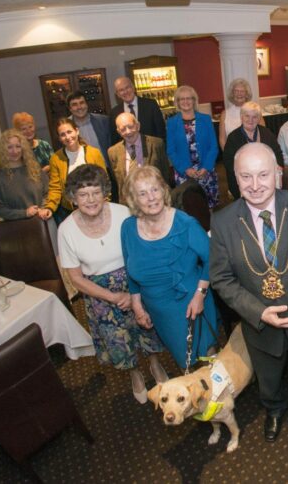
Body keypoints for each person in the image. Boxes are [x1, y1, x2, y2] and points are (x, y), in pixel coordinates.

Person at [210, 143, 288, 442]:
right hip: (260, 323)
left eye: (263, 175)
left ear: (277, 173)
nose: (255, 185)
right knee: (268, 378)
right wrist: (259, 312)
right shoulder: (222, 222)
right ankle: (274, 410)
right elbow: (222, 279)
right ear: (235, 179)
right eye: (245, 177)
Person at [57, 165, 166, 404]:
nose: (91, 199)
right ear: (73, 198)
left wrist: (131, 292)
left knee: (148, 329)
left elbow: (141, 249)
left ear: (105, 191)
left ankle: (155, 365)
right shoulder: (65, 230)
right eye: (83, 194)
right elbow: (75, 278)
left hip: (134, 281)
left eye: (96, 192)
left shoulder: (123, 213)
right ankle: (135, 374)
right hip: (98, 294)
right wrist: (114, 297)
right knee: (119, 342)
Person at [120, 165, 218, 370]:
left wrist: (200, 295)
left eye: (155, 189)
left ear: (164, 190)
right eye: (143, 193)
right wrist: (137, 305)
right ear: (133, 199)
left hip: (192, 303)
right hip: (159, 311)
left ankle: (216, 398)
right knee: (184, 362)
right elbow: (131, 271)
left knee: (208, 361)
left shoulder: (185, 223)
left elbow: (213, 258)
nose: (151, 198)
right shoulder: (128, 228)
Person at [166, 85, 219, 208]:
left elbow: (213, 147)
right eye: (182, 99)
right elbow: (171, 150)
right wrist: (186, 169)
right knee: (188, 207)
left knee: (208, 207)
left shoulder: (205, 119)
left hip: (206, 172)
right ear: (177, 102)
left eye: (189, 98)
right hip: (184, 174)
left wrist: (206, 167)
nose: (186, 101)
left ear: (194, 101)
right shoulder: (172, 123)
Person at [46, 118, 107, 224]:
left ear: (77, 131)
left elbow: (104, 181)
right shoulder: (55, 159)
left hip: (96, 206)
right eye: (63, 134)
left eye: (69, 132)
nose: (67, 137)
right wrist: (49, 207)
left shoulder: (94, 153)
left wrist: (105, 204)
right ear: (59, 138)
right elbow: (55, 188)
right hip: (71, 212)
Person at [223, 101, 284, 200]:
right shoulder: (233, 137)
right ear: (241, 117)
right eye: (247, 116)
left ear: (259, 118)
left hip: (265, 179)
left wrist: (278, 169)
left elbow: (278, 154)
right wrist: (244, 176)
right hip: (244, 181)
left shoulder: (267, 133)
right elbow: (228, 161)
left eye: (254, 117)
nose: (250, 120)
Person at [108, 112, 171, 203]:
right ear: (118, 131)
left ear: (138, 125)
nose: (128, 132)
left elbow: (165, 173)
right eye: (123, 129)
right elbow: (117, 179)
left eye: (130, 126)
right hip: (128, 203)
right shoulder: (113, 152)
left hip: (154, 199)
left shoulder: (156, 144)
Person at [0, 129, 51, 221]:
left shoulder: (35, 169)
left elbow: (48, 192)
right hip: (15, 229)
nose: (14, 151)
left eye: (18, 146)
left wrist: (44, 208)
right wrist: (24, 213)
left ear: (23, 148)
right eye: (9, 147)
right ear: (3, 149)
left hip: (42, 222)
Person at [109, 76, 166, 144]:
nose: (125, 92)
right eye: (121, 90)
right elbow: (115, 139)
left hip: (151, 151)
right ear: (118, 94)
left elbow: (161, 132)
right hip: (128, 153)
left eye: (127, 87)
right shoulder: (114, 113)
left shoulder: (151, 105)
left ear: (133, 88)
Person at [67, 90, 111, 166]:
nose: (79, 107)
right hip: (81, 172)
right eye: (74, 104)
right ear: (70, 109)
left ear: (87, 104)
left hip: (104, 169)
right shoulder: (66, 127)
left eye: (82, 103)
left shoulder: (103, 121)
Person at [219, 78, 253, 150]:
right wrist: (228, 155)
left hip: (252, 153)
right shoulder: (224, 114)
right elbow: (222, 140)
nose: (239, 94)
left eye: (242, 91)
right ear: (232, 93)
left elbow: (262, 135)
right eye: (236, 91)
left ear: (247, 94)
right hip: (232, 154)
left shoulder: (254, 111)